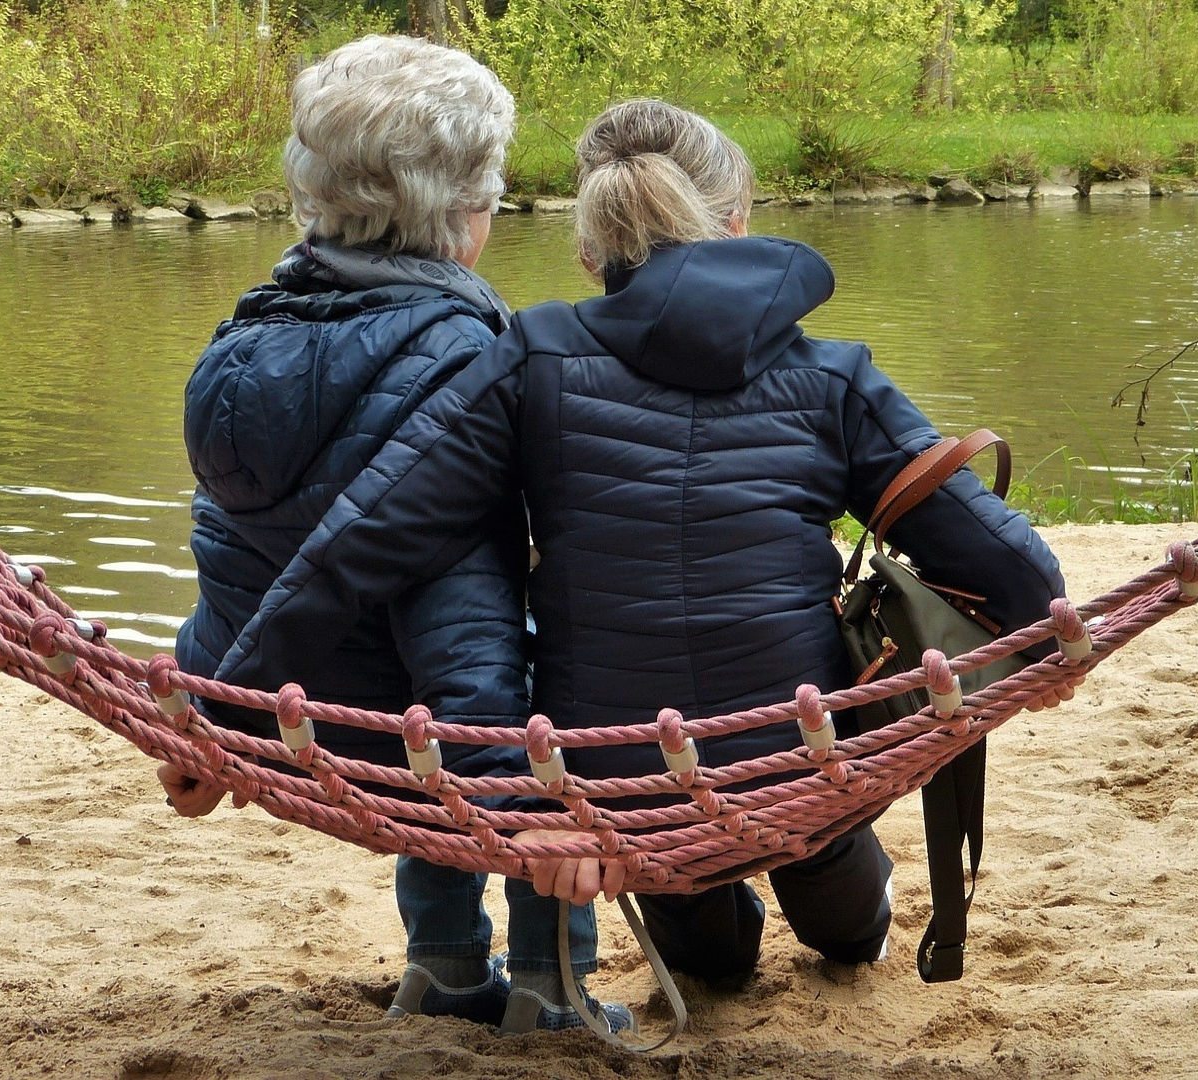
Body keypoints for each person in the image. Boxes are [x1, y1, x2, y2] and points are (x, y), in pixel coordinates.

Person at [217, 99, 1064, 987]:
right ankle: (843, 906)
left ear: (592, 250)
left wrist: (228, 712)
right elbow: (995, 553)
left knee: (709, 962)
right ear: (736, 222)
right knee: (837, 888)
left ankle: (726, 922)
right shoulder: (833, 375)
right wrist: (1050, 635)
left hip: (620, 784)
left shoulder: (532, 356)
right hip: (801, 753)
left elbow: (367, 538)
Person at [160, 34, 626, 1034]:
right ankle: (550, 985)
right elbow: (465, 626)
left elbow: (234, 555)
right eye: (492, 190)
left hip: (288, 712)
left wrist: (207, 710)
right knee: (569, 668)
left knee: (426, 689)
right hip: (417, 733)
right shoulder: (468, 361)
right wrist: (518, 810)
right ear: (464, 212)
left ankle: (444, 964)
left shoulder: (241, 341)